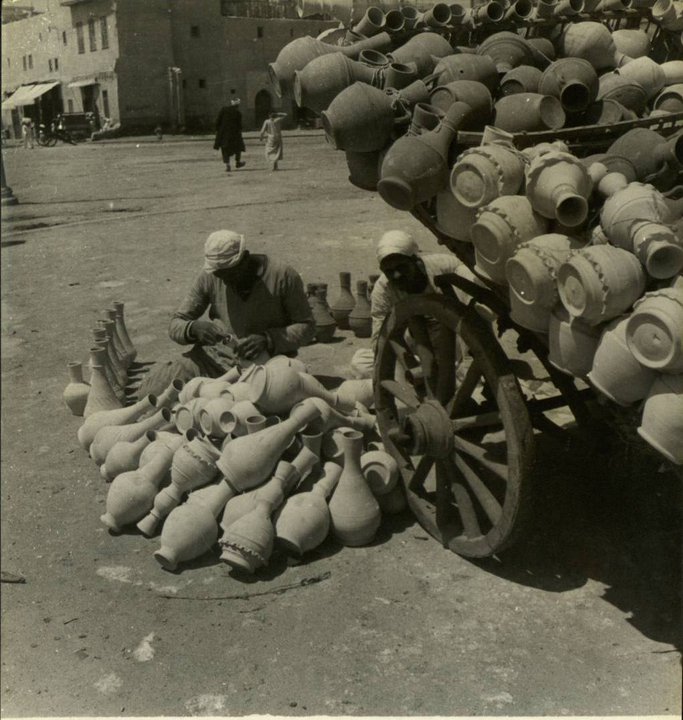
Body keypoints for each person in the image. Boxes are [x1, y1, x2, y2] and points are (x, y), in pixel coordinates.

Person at [137, 230, 316, 397]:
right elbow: (176, 323)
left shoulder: (282, 275)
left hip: (264, 366)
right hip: (214, 360)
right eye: (220, 274)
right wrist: (193, 328)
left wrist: (268, 339)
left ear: (245, 258)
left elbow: (307, 327)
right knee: (153, 390)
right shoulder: (211, 276)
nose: (225, 280)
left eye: (231, 273)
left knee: (265, 403)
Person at [350, 230, 468, 380]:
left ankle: (455, 372)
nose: (396, 275)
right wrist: (410, 365)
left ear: (417, 261)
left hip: (455, 345)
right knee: (359, 362)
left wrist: (469, 360)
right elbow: (381, 338)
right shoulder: (383, 290)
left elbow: (475, 315)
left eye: (401, 268)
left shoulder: (447, 267)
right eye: (389, 271)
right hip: (415, 348)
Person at [213, 97, 246, 173]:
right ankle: (238, 162)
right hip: (234, 134)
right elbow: (239, 126)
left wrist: (217, 130)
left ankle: (227, 165)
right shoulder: (238, 113)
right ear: (237, 106)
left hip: (223, 134)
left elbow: (218, 121)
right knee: (238, 148)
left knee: (225, 149)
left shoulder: (223, 109)